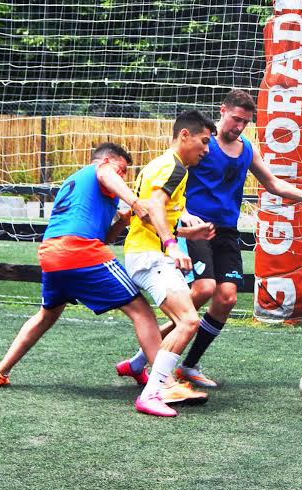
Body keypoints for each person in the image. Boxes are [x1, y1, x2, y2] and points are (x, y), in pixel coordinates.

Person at [120, 90, 302, 387]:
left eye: (246, 122)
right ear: (223, 111)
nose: (239, 127)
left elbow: (272, 183)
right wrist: (182, 217)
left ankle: (187, 365)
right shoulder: (200, 145)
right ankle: (150, 359)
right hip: (196, 228)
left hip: (226, 232)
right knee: (203, 289)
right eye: (236, 119)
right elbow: (168, 188)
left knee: (227, 298)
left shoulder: (247, 148)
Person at [0, 143, 178, 416]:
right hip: (80, 251)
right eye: (122, 169)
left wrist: (123, 220)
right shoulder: (102, 171)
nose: (122, 176)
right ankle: (166, 385)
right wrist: (135, 201)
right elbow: (107, 175)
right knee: (142, 312)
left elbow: (106, 238)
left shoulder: (76, 183)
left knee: (45, 316)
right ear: (108, 161)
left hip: (52, 253)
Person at [115, 110, 219, 413]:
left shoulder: (158, 166)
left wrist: (188, 232)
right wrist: (173, 246)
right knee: (188, 320)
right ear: (184, 135)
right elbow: (156, 206)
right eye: (203, 141)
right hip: (151, 257)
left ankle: (138, 366)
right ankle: (153, 393)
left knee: (183, 318)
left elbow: (150, 215)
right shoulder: (174, 167)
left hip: (144, 253)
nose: (206, 149)